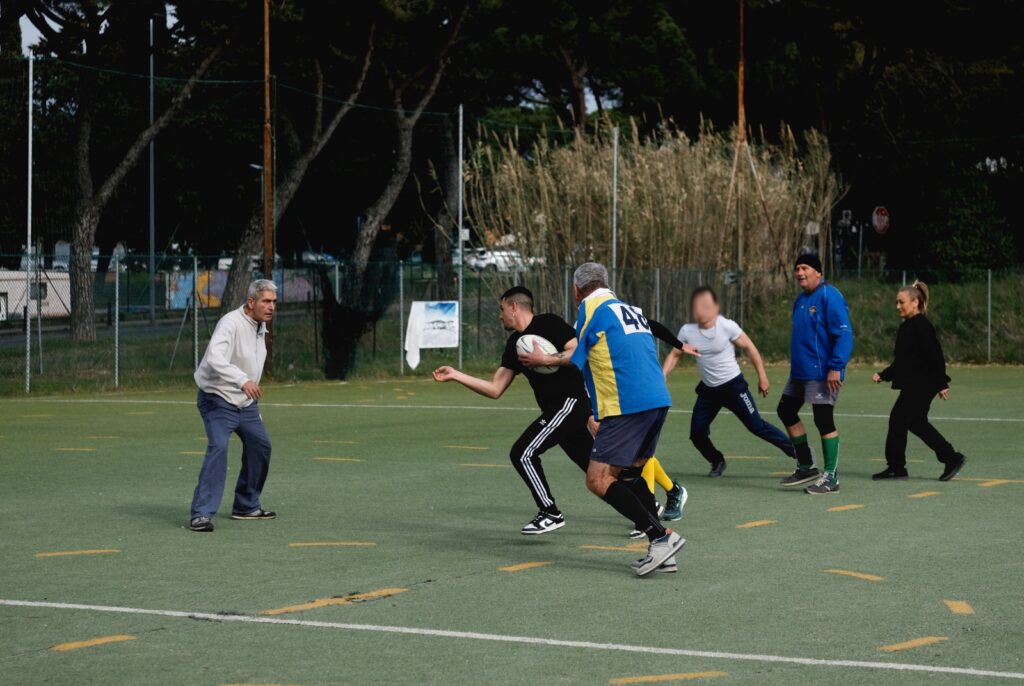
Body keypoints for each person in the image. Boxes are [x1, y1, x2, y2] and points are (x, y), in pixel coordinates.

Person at [432, 287, 593, 535]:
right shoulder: (514, 345)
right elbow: (495, 388)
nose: (500, 315)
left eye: (501, 308)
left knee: (523, 453)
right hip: (558, 412)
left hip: (571, 404)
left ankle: (550, 512)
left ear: (514, 307)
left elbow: (577, 352)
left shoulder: (549, 323)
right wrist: (456, 375)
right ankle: (647, 507)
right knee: (596, 470)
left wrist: (547, 359)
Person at [569, 262, 686, 576]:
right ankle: (662, 552)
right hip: (657, 399)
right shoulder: (630, 309)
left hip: (627, 404)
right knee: (631, 473)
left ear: (577, 290)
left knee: (598, 479)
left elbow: (577, 359)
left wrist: (544, 358)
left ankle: (661, 537)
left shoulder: (590, 308)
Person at [661, 287, 796, 478]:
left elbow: (749, 348)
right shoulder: (687, 331)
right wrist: (663, 374)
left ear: (715, 307)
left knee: (757, 426)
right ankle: (717, 460)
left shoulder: (727, 326)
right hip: (709, 391)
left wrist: (763, 377)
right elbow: (675, 354)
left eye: (705, 306)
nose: (700, 310)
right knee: (697, 433)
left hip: (734, 387)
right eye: (697, 306)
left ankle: (800, 454)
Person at [189, 279, 278, 532]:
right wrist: (242, 380)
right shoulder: (230, 322)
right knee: (218, 447)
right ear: (251, 302)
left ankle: (246, 506)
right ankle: (201, 514)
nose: (271, 307)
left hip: (245, 404)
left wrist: (247, 388)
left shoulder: (260, 326)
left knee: (261, 446)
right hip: (217, 399)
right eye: (266, 301)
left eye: (274, 302)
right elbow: (214, 357)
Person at [871, 281, 967, 481]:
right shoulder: (907, 327)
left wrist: (941, 383)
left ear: (915, 302)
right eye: (896, 302)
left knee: (898, 419)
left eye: (901, 302)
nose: (897, 306)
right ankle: (951, 457)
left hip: (922, 385)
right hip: (917, 383)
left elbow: (935, 356)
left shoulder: (921, 325)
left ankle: (897, 467)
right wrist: (884, 374)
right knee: (916, 422)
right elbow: (903, 361)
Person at [776, 253, 854, 495]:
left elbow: (844, 333)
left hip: (822, 373)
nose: (800, 272)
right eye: (797, 268)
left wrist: (836, 367)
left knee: (823, 419)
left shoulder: (830, 295)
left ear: (818, 272)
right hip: (800, 373)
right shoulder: (800, 300)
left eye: (805, 268)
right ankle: (806, 466)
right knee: (785, 410)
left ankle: (831, 477)